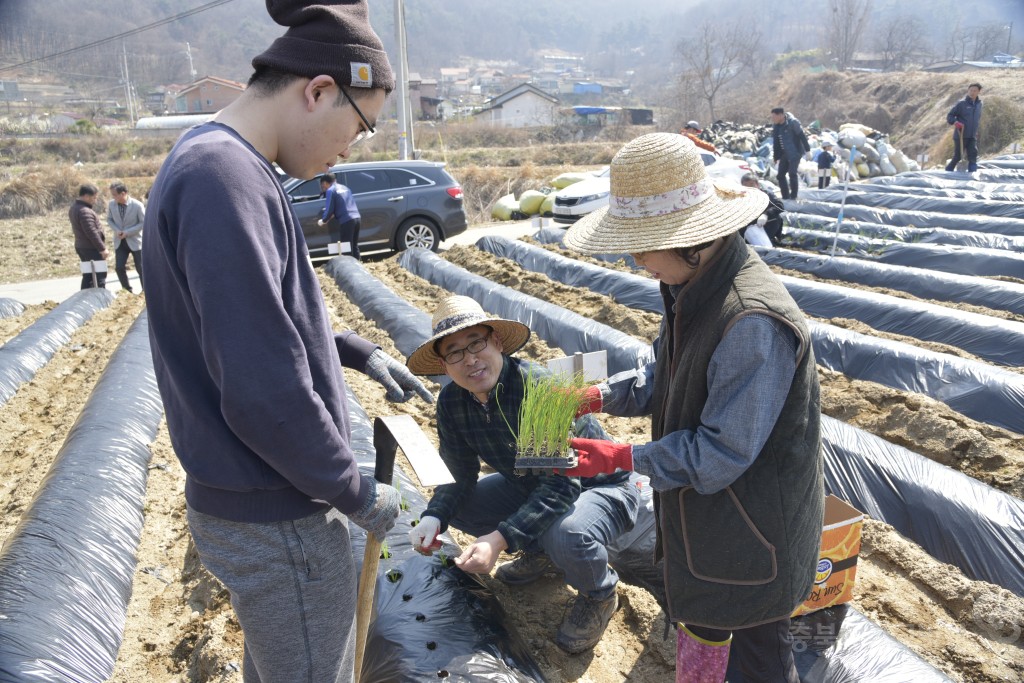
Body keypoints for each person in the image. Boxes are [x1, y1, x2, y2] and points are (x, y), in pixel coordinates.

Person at [142, 2, 433, 681]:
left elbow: (264, 323)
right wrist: (360, 495)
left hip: (264, 506)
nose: (349, 152)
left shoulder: (215, 160)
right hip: (280, 519)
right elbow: (262, 385)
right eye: (359, 128)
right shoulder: (225, 180)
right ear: (319, 90)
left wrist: (362, 352)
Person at [561, 132, 824, 683]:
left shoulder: (751, 319)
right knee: (708, 628)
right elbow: (670, 376)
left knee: (759, 658)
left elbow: (719, 452)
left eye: (643, 243)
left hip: (754, 533)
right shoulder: (692, 286)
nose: (635, 259)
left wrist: (619, 456)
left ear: (691, 239)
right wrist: (602, 394)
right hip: (710, 523)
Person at [406, 295, 641, 655]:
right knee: (462, 507)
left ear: (496, 342)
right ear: (443, 363)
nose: (469, 359)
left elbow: (562, 487)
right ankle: (540, 551)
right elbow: (458, 473)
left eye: (476, 343)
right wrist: (434, 517)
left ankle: (599, 593)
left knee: (569, 532)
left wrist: (499, 539)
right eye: (455, 352)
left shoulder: (539, 389)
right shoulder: (453, 402)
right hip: (531, 482)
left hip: (600, 486)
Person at [106, 181, 145, 292]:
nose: (113, 197)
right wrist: (117, 230)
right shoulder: (111, 204)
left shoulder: (137, 205)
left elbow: (143, 222)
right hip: (119, 241)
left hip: (135, 241)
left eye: (114, 194)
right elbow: (109, 219)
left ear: (123, 193)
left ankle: (145, 291)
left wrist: (127, 232)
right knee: (119, 267)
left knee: (141, 268)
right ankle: (127, 290)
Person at [69, 183, 108, 289]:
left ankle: (85, 298)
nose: (95, 200)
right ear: (86, 196)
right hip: (90, 248)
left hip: (82, 246)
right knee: (99, 274)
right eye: (94, 198)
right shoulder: (84, 211)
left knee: (88, 275)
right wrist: (102, 248)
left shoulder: (74, 208)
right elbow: (91, 232)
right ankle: (99, 298)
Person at [318, 172, 362, 259]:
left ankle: (350, 269)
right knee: (354, 245)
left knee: (346, 248)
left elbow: (329, 208)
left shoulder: (331, 190)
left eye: (323, 185)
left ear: (325, 183)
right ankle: (359, 264)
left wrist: (323, 220)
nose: (323, 187)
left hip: (347, 221)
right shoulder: (345, 188)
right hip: (357, 218)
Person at [770, 106, 810, 200]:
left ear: (780, 115)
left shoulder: (792, 123)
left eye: (774, 117)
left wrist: (807, 150)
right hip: (784, 153)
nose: (772, 119)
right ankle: (785, 197)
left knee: (792, 173)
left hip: (795, 152)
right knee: (780, 175)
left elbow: (802, 136)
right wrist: (776, 157)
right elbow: (776, 142)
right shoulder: (776, 126)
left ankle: (793, 197)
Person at [945, 83, 983, 173]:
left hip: (972, 135)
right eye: (970, 90)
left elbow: (977, 118)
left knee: (973, 155)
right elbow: (950, 116)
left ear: (978, 92)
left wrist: (976, 130)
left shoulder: (979, 104)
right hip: (961, 135)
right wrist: (955, 122)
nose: (972, 92)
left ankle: (972, 175)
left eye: (974, 91)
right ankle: (947, 172)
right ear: (968, 91)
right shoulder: (961, 104)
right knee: (958, 156)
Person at [740, 171, 784, 246]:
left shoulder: (767, 194)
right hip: (749, 228)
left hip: (765, 224)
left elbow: (779, 205)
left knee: (777, 217)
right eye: (746, 186)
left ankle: (773, 239)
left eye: (752, 185)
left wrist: (766, 214)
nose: (750, 188)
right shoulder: (742, 198)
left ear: (757, 185)